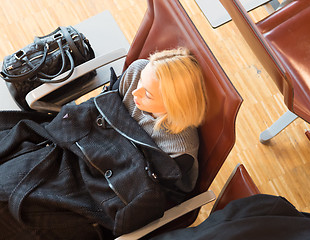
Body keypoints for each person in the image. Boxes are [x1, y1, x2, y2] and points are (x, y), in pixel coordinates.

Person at [0, 47, 207, 239]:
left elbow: (151, 195)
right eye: (142, 82)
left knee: (21, 212)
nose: (136, 92)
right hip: (75, 149)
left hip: (100, 190)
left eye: (148, 94)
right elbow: (105, 107)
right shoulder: (138, 72)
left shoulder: (178, 150)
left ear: (175, 104)